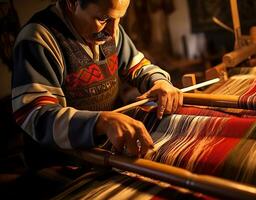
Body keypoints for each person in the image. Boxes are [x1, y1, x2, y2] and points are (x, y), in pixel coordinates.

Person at [11, 0, 183, 158]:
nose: (113, 30)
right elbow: (35, 116)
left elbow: (138, 66)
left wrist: (159, 81)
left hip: (111, 150)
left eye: (119, 18)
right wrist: (101, 122)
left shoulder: (110, 30)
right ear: (72, 3)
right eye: (103, 18)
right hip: (61, 164)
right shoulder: (38, 39)